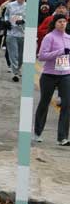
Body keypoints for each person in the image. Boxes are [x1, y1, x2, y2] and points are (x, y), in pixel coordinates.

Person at [35, 12, 70, 145]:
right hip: (49, 75)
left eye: (64, 21)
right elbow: (42, 56)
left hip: (65, 75)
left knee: (66, 105)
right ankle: (37, 132)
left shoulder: (68, 38)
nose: (62, 24)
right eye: (59, 22)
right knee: (44, 103)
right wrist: (60, 52)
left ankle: (62, 137)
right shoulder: (49, 37)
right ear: (54, 24)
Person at [3, 0, 27, 82]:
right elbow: (6, 15)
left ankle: (18, 68)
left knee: (21, 55)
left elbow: (32, 18)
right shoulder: (10, 5)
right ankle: (15, 73)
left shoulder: (28, 6)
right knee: (14, 54)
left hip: (22, 33)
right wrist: (6, 21)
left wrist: (24, 21)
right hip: (11, 32)